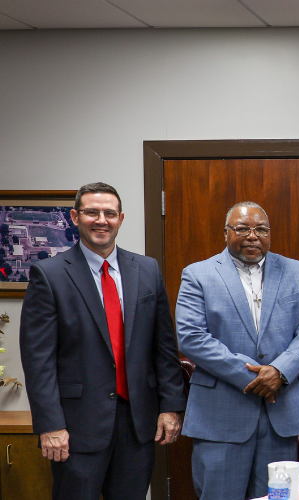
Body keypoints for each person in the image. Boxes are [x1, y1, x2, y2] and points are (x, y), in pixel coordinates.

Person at [19, 182, 186, 500]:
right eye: (92, 212)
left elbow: (164, 346)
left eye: (109, 213)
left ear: (120, 219)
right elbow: (38, 360)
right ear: (75, 217)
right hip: (75, 428)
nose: (101, 220)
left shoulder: (147, 269)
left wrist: (171, 406)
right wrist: (50, 424)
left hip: (138, 424)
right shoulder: (49, 275)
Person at [175, 201, 299, 499]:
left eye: (261, 230)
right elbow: (191, 337)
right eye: (242, 228)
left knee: (274, 497)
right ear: (226, 233)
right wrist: (253, 377)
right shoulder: (198, 274)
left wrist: (279, 371)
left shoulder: (297, 271)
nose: (253, 236)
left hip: (280, 412)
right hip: (221, 414)